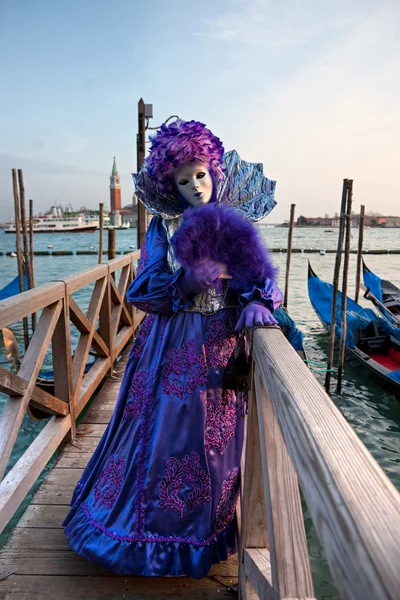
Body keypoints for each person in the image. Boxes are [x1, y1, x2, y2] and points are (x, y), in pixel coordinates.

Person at [63, 119, 283, 578]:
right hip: (171, 345)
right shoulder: (163, 229)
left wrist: (260, 302)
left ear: (215, 171)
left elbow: (256, 272)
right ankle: (143, 536)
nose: (194, 186)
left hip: (221, 344)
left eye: (200, 174)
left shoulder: (235, 222)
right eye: (183, 180)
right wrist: (182, 281)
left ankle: (205, 532)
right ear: (171, 184)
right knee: (160, 431)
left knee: (212, 438)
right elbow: (142, 290)